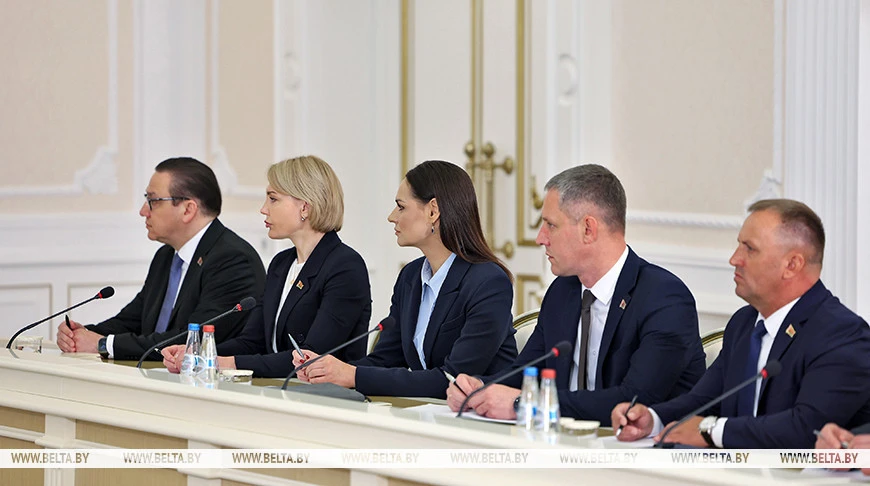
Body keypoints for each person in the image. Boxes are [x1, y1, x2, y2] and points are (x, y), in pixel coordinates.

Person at [445, 164, 706, 423]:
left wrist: (525, 404)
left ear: (588, 229)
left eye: (550, 225)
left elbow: (634, 400)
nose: (540, 238)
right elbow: (526, 372)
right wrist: (479, 389)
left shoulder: (664, 299)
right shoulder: (563, 291)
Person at [613, 199, 870, 449]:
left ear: (792, 265)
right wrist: (652, 419)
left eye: (750, 249)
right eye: (739, 246)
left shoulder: (843, 335)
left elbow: (807, 429)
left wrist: (712, 431)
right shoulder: (744, 323)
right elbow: (704, 400)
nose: (734, 259)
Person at [292, 160, 517, 398]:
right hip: (429, 412)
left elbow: (452, 379)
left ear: (433, 211)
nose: (392, 217)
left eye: (401, 207)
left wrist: (352, 375)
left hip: (479, 415)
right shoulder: (410, 276)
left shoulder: (489, 283)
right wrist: (327, 370)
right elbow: (386, 359)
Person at [162, 156, 372, 377]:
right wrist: (197, 353)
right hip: (278, 389)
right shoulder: (281, 264)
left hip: (325, 394)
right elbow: (252, 342)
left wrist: (221, 363)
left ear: (305, 207)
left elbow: (310, 357)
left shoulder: (345, 267)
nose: (263, 209)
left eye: (273, 199)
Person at [56, 157, 266, 360]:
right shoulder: (166, 256)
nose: (143, 211)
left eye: (153, 201)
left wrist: (103, 344)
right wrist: (81, 334)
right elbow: (133, 320)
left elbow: (192, 340)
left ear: (188, 210)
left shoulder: (232, 261)